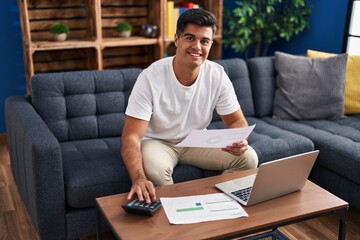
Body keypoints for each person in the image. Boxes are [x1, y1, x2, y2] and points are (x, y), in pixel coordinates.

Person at [121, 8, 258, 203]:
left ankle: (214, 204)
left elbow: (237, 121)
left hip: (196, 140)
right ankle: (178, 217)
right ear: (176, 39)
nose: (197, 47)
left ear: (210, 44)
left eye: (204, 41)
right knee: (155, 171)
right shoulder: (150, 77)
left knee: (249, 158)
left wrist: (238, 139)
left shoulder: (217, 75)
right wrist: (138, 178)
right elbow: (132, 136)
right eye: (190, 38)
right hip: (158, 142)